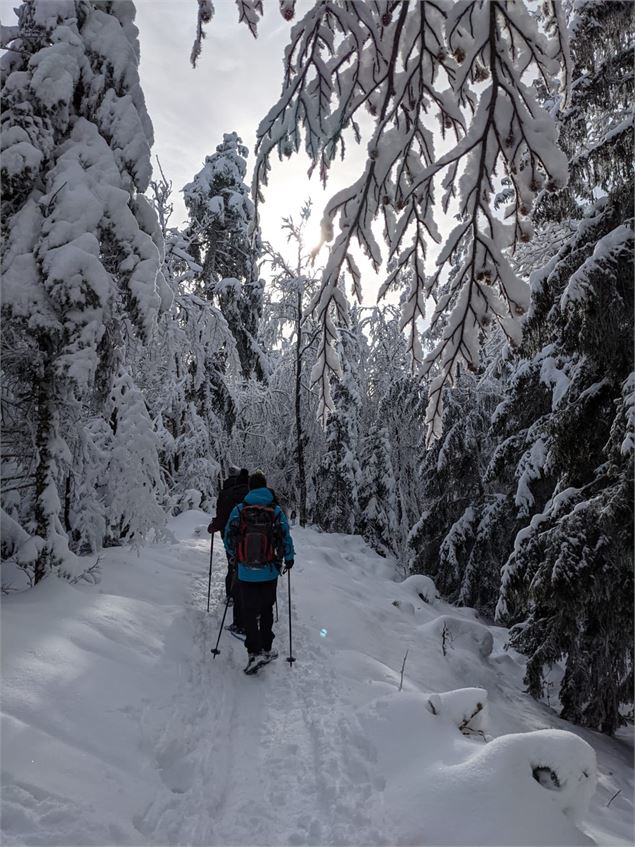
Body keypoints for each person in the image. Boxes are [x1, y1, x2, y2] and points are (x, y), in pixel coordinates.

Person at [224, 470, 295, 674]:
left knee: (248, 611)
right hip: (269, 570)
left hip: (245, 571)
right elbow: (285, 537)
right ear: (265, 486)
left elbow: (229, 537)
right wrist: (289, 558)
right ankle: (267, 648)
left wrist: (234, 557)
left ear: (250, 488)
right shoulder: (276, 511)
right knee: (266, 610)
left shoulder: (239, 509)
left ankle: (254, 653)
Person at [208, 466, 249, 635]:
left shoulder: (226, 492)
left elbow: (221, 513)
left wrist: (215, 526)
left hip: (228, 534)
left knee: (232, 564)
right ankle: (246, 597)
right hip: (247, 534)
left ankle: (231, 595)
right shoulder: (247, 491)